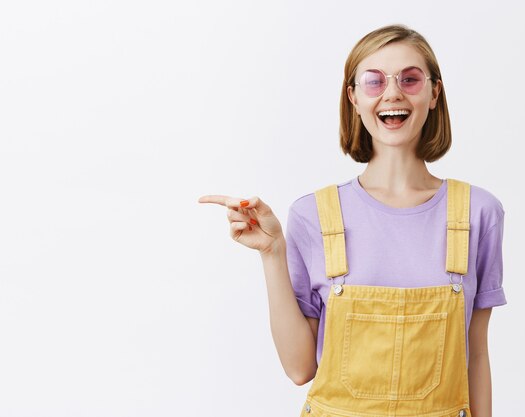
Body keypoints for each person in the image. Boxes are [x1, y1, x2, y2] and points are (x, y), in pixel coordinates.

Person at [198, 24, 506, 417]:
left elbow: (476, 354)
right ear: (354, 98)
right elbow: (299, 369)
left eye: (410, 79)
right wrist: (273, 253)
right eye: (374, 81)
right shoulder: (313, 214)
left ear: (434, 94)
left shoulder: (478, 213)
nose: (392, 93)